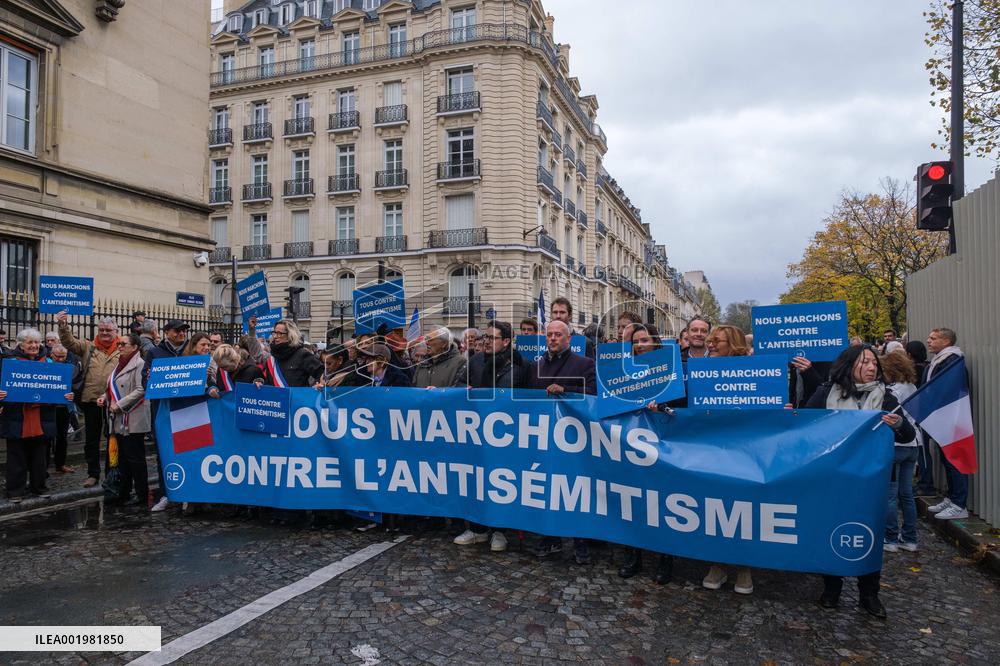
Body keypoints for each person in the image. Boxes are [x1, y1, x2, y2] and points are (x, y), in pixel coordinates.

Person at [805, 344, 915, 619]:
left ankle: (870, 594)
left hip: (873, 482)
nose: (871, 367)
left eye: (874, 364)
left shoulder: (886, 398)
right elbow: (804, 429)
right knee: (830, 530)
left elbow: (907, 435)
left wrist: (898, 425)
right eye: (865, 363)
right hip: (834, 480)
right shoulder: (825, 394)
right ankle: (832, 588)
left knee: (870, 535)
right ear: (849, 365)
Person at [531, 320, 597, 564]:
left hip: (575, 441)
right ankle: (551, 537)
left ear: (569, 338)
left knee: (576, 490)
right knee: (548, 489)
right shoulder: (536, 366)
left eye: (558, 334)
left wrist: (565, 389)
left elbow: (592, 393)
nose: (553, 338)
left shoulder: (585, 364)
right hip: (545, 439)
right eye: (549, 334)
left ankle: (580, 542)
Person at [699, 324, 755, 595]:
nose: (710, 345)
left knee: (743, 506)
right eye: (709, 341)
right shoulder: (701, 371)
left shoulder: (754, 370)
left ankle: (744, 566)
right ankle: (717, 564)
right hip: (712, 448)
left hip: (745, 449)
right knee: (714, 506)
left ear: (732, 344)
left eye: (716, 341)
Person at [619, 324, 674, 583]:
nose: (640, 345)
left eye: (644, 340)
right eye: (636, 342)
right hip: (632, 442)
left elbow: (681, 406)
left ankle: (665, 557)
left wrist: (662, 407)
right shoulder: (621, 371)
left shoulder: (671, 369)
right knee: (634, 500)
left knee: (662, 500)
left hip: (662, 443)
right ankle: (634, 555)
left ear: (655, 344)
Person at [0, 329, 73, 501]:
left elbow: (57, 387)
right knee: (16, 457)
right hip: (17, 416)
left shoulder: (48, 362)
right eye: (29, 342)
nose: (34, 346)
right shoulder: (9, 362)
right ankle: (15, 491)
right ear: (20, 345)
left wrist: (66, 395)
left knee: (40, 457)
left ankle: (39, 487)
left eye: (36, 342)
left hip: (42, 417)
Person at [57, 311, 120, 488]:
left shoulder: (122, 348)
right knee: (91, 440)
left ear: (116, 331)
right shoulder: (88, 346)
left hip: (114, 402)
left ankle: (111, 472)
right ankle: (93, 474)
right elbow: (69, 342)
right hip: (91, 400)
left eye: (108, 330)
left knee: (112, 438)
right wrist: (63, 326)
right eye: (101, 330)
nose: (105, 333)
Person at [97, 333, 151, 508]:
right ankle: (124, 490)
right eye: (118, 343)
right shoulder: (118, 364)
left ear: (135, 347)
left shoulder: (139, 364)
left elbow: (140, 389)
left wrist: (119, 405)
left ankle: (142, 493)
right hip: (118, 419)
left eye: (123, 344)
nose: (119, 346)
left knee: (135, 459)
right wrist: (103, 398)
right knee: (122, 459)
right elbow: (111, 388)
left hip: (132, 418)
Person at [924, 328, 970, 520]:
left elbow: (945, 389)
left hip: (951, 418)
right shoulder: (940, 360)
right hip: (941, 418)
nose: (928, 341)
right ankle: (952, 498)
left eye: (933, 338)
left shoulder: (952, 361)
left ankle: (960, 504)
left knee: (955, 461)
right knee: (946, 460)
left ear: (946, 341)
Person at [144, 318, 190, 512]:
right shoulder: (155, 353)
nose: (182, 333)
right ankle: (167, 493)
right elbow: (145, 382)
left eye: (184, 330)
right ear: (167, 333)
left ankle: (189, 493)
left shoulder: (191, 351)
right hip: (163, 411)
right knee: (164, 452)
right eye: (177, 330)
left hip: (188, 411)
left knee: (189, 450)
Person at [880, 350, 920, 552]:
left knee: (890, 495)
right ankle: (910, 539)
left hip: (896, 444)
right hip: (914, 445)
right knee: (907, 495)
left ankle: (891, 538)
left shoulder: (892, 391)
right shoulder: (912, 386)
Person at [260, 320, 324, 388]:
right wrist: (260, 382)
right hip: (276, 398)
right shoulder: (272, 358)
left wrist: (314, 388)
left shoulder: (302, 354)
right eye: (274, 333)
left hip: (297, 398)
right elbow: (268, 383)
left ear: (290, 335)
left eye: (280, 333)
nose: (275, 336)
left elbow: (322, 374)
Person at [48, 344, 81, 474]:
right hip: (48, 407)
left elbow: (77, 385)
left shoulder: (71, 368)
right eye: (58, 357)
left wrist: (73, 393)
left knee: (62, 438)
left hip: (64, 407)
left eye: (63, 357)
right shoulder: (45, 366)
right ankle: (43, 466)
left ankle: (60, 464)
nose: (60, 359)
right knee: (47, 439)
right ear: (51, 355)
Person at [346, 343, 411, 387]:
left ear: (383, 361)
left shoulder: (399, 378)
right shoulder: (361, 376)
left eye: (371, 359)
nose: (367, 362)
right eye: (366, 359)